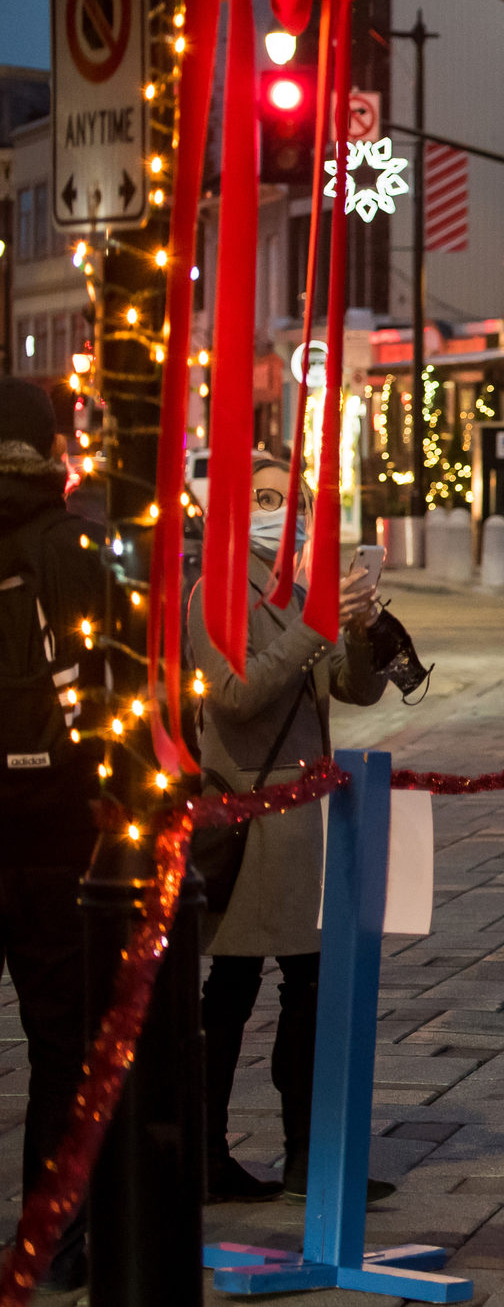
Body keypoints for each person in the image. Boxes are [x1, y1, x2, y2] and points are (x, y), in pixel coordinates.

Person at [190, 449, 390, 1203]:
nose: (285, 512)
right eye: (268, 497)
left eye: (294, 500)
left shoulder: (297, 589)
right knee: (232, 987)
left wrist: (365, 628)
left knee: (310, 989)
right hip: (251, 820)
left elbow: (353, 687)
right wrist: (313, 626)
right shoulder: (215, 591)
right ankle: (205, 1150)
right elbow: (237, 694)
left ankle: (310, 1152)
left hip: (309, 820)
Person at [0, 383, 107, 1283]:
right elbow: (103, 682)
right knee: (60, 1041)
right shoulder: (68, 541)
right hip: (52, 827)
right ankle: (53, 1238)